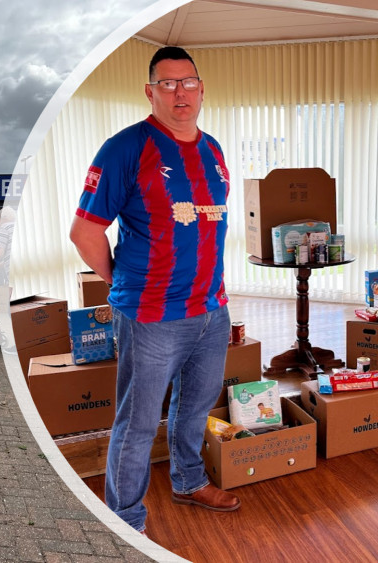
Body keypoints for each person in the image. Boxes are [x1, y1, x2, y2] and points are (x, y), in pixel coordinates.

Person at [69, 46, 238, 536]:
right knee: (138, 424)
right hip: (150, 316)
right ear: (150, 92)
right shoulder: (125, 148)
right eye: (167, 83)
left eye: (188, 82)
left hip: (211, 309)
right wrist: (121, 282)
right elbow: (84, 232)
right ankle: (125, 522)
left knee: (196, 408)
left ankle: (188, 480)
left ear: (202, 89)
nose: (179, 92)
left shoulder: (213, 151)